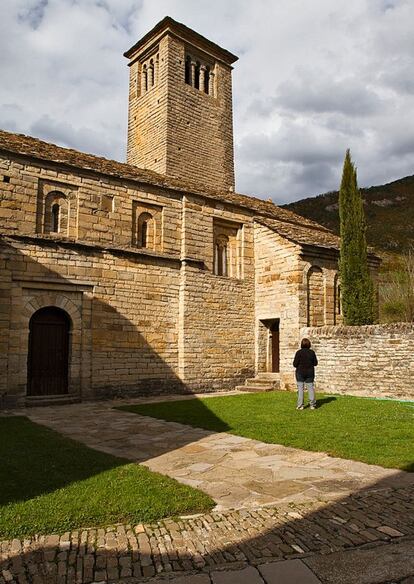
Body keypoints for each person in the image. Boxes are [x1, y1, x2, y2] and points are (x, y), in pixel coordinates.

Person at [293, 338, 318, 410]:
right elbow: (315, 363)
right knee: (310, 388)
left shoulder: (299, 352)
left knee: (300, 389)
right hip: (310, 373)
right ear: (309, 344)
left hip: (300, 372)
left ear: (301, 344)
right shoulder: (312, 352)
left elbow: (295, 364)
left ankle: (300, 405)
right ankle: (312, 405)